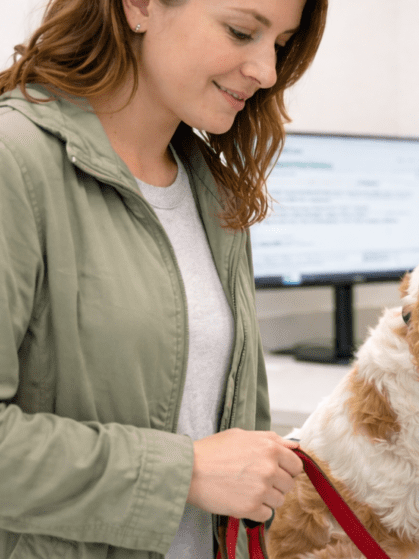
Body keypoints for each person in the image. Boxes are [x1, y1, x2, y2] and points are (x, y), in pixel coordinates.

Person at [0, 0, 327, 557]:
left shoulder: (215, 193)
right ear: (141, 6)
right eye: (241, 31)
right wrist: (185, 473)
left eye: (278, 44)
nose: (267, 72)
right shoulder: (15, 162)